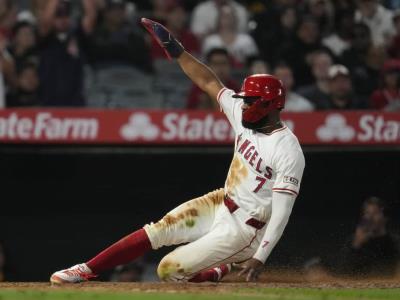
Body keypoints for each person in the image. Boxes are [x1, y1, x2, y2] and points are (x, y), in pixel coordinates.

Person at [50, 18, 305, 284]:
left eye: (250, 101)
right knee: (158, 230)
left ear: (270, 105)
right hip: (222, 201)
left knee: (168, 270)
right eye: (243, 100)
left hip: (246, 229)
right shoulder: (244, 116)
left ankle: (220, 271)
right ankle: (87, 269)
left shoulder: (287, 148)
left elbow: (282, 212)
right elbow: (208, 81)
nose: (242, 105)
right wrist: (178, 51)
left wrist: (260, 257)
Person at [37, 0, 96, 106]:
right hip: (48, 102)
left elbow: (90, 16)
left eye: (66, 15)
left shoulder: (78, 35)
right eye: (58, 15)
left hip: (75, 102)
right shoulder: (46, 39)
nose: (63, 19)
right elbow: (46, 20)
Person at [338, 197, 399, 277]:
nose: (370, 217)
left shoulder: (395, 242)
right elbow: (342, 274)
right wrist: (356, 246)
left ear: (385, 218)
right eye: (367, 213)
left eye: (375, 213)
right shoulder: (353, 241)